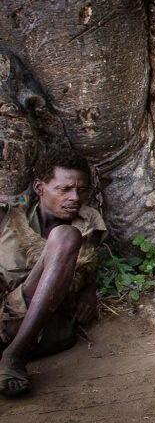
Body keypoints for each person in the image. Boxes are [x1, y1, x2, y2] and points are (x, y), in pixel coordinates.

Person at [0, 149, 106, 395]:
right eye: (64, 189)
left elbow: (87, 265)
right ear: (39, 187)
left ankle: (15, 355)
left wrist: (89, 293)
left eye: (81, 190)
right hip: (7, 308)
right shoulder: (10, 216)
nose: (75, 197)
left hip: (46, 319)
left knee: (66, 236)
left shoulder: (85, 223)